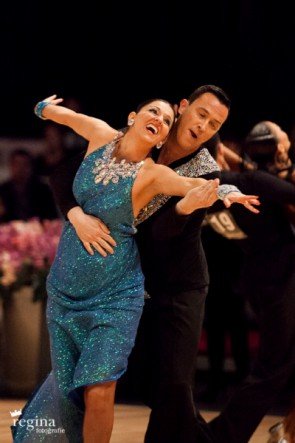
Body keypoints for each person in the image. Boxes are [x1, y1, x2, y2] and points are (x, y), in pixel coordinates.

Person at [12, 93, 229, 443]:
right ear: (133, 116)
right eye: (153, 112)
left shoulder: (164, 170)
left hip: (137, 287)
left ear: (162, 137)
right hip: (66, 289)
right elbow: (61, 160)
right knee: (70, 389)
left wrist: (225, 192)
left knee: (108, 387)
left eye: (214, 124)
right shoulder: (103, 136)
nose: (202, 126)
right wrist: (75, 213)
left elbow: (191, 196)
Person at [203, 134, 295, 443]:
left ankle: (285, 429)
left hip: (258, 279)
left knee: (277, 365)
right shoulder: (250, 181)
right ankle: (221, 435)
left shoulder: (206, 190)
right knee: (273, 368)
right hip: (279, 281)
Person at [0, 148, 58, 222]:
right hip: (9, 231)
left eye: (25, 164)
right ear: (11, 166)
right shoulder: (3, 190)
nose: (21, 168)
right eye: (17, 164)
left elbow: (52, 218)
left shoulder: (43, 190)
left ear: (31, 166)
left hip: (38, 231)